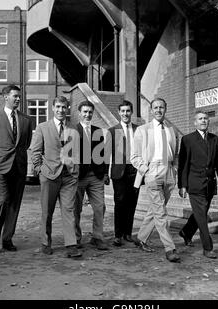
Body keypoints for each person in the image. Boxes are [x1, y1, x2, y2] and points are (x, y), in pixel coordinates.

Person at [0, 84, 32, 254]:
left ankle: (7, 239)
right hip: (0, 167)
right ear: (5, 97)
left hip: (19, 167)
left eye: (19, 96)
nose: (18, 99)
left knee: (14, 205)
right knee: (1, 201)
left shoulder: (26, 120)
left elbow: (26, 143)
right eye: (15, 96)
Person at [30, 96, 82, 258]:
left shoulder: (73, 129)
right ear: (52, 108)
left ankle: (71, 245)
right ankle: (46, 242)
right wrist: (39, 169)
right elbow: (35, 151)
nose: (61, 110)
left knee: (69, 210)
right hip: (49, 176)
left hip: (69, 177)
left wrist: (75, 171)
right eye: (58, 107)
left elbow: (76, 153)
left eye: (64, 107)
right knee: (47, 211)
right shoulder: (42, 127)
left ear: (67, 109)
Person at [131, 98, 181, 263]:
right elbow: (134, 156)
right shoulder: (142, 130)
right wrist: (146, 171)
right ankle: (170, 248)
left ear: (165, 109)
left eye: (161, 107)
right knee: (161, 214)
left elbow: (175, 154)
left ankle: (140, 237)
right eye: (155, 108)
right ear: (151, 110)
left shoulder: (171, 130)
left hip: (169, 173)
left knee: (156, 210)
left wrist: (174, 171)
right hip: (152, 172)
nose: (158, 110)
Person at [177, 110, 218, 259]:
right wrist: (182, 185)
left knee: (200, 214)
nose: (203, 121)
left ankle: (186, 232)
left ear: (208, 121)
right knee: (202, 217)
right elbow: (183, 165)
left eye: (205, 118)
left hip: (210, 184)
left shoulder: (214, 139)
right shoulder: (187, 139)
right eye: (200, 119)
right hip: (195, 184)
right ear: (195, 122)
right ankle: (208, 247)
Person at [74, 100, 109, 250]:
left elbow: (104, 154)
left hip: (96, 176)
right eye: (85, 112)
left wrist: (105, 172)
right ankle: (75, 238)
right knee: (75, 208)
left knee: (100, 207)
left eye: (90, 112)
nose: (87, 115)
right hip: (78, 177)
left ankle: (97, 237)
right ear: (79, 113)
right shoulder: (72, 130)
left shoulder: (98, 131)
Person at [108, 100, 139, 246]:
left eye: (128, 111)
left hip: (135, 170)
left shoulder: (139, 130)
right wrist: (105, 174)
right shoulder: (112, 130)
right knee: (120, 202)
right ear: (119, 113)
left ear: (131, 112)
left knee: (132, 202)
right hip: (119, 171)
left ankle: (128, 233)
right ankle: (118, 235)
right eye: (123, 111)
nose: (125, 113)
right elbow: (106, 154)